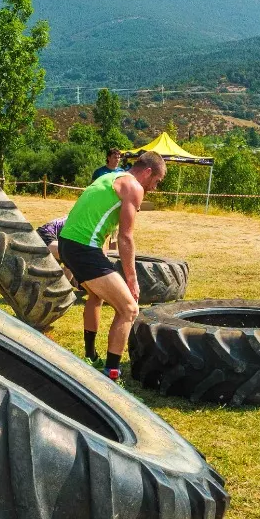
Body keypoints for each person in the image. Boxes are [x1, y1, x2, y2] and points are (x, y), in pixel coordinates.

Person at [57, 150, 167, 380]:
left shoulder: (109, 177)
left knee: (96, 296)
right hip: (82, 248)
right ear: (147, 172)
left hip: (67, 243)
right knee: (129, 309)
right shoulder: (134, 187)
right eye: (156, 181)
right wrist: (132, 279)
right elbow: (126, 237)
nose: (154, 188)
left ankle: (91, 355)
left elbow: (99, 220)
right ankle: (111, 374)